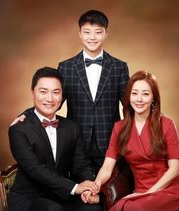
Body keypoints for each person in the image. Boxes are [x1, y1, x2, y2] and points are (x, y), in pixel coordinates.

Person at [13, 10, 129, 175]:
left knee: (110, 193)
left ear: (106, 34)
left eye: (98, 32)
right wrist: (25, 115)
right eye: (87, 32)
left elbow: (129, 104)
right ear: (80, 34)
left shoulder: (119, 67)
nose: (92, 37)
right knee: (81, 192)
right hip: (76, 142)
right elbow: (53, 101)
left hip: (111, 143)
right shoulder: (66, 67)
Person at [84, 70, 179, 210]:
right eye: (134, 93)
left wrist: (147, 194)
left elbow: (174, 170)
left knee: (130, 208)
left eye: (145, 94)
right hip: (140, 191)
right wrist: (95, 186)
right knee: (121, 207)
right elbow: (107, 167)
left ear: (153, 98)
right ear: (128, 97)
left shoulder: (167, 124)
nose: (139, 99)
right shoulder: (119, 127)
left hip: (168, 191)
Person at [8, 67, 102, 211]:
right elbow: (36, 170)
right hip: (29, 198)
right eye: (43, 91)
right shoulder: (18, 129)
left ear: (62, 96)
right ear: (32, 94)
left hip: (61, 195)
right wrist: (75, 187)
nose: (50, 98)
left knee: (93, 208)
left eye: (56, 92)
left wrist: (88, 188)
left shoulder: (71, 127)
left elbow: (81, 165)